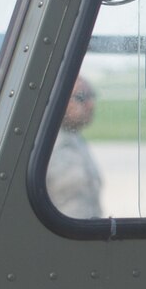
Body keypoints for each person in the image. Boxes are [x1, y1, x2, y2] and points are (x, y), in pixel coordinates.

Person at [46, 75, 105, 219]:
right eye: (81, 97)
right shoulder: (44, 148)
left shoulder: (76, 139)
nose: (91, 104)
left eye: (92, 96)